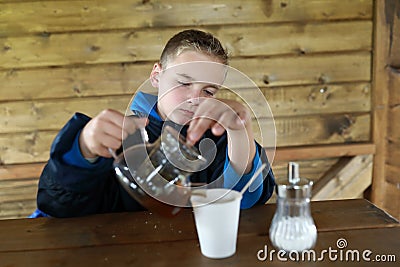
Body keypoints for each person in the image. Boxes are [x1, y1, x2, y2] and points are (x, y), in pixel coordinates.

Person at [31, 29, 275, 218]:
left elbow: (246, 201)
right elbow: (58, 206)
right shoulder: (114, 137)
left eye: (209, 91)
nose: (195, 99)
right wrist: (82, 148)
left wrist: (240, 132)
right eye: (184, 83)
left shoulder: (220, 139)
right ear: (157, 76)